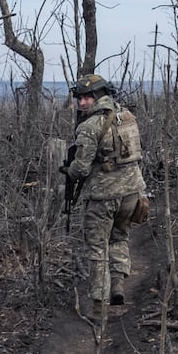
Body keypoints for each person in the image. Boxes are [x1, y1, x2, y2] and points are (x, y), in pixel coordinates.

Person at [62, 74, 145, 316]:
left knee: (98, 247)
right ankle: (117, 286)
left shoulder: (89, 127)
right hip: (133, 192)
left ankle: (99, 304)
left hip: (103, 196)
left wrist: (68, 170)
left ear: (99, 97)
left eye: (87, 97)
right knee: (119, 237)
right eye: (80, 98)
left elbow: (81, 168)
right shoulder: (127, 116)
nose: (82, 102)